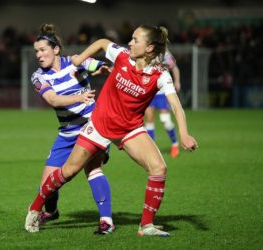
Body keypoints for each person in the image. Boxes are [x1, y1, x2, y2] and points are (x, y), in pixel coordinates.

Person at [25, 25, 198, 237]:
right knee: (68, 172)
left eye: (135, 40)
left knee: (159, 168)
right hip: (99, 125)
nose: (130, 43)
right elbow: (101, 43)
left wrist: (184, 133)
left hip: (129, 129)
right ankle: (35, 208)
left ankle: (145, 225)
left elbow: (176, 106)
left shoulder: (161, 74)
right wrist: (80, 59)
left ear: (150, 47)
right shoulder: (122, 56)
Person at [25, 24, 114, 234]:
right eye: (36, 51)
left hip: (92, 127)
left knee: (92, 168)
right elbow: (53, 99)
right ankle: (52, 211)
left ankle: (106, 221)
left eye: (43, 50)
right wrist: (79, 97)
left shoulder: (76, 61)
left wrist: (102, 67)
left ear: (56, 49)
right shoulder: (38, 76)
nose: (39, 55)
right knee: (47, 184)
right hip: (67, 132)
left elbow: (96, 64)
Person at [144, 50, 181, 158]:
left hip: (162, 91)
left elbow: (174, 68)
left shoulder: (164, 53)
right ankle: (152, 149)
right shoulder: (145, 51)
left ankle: (175, 144)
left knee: (165, 120)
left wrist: (177, 81)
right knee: (149, 120)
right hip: (149, 91)